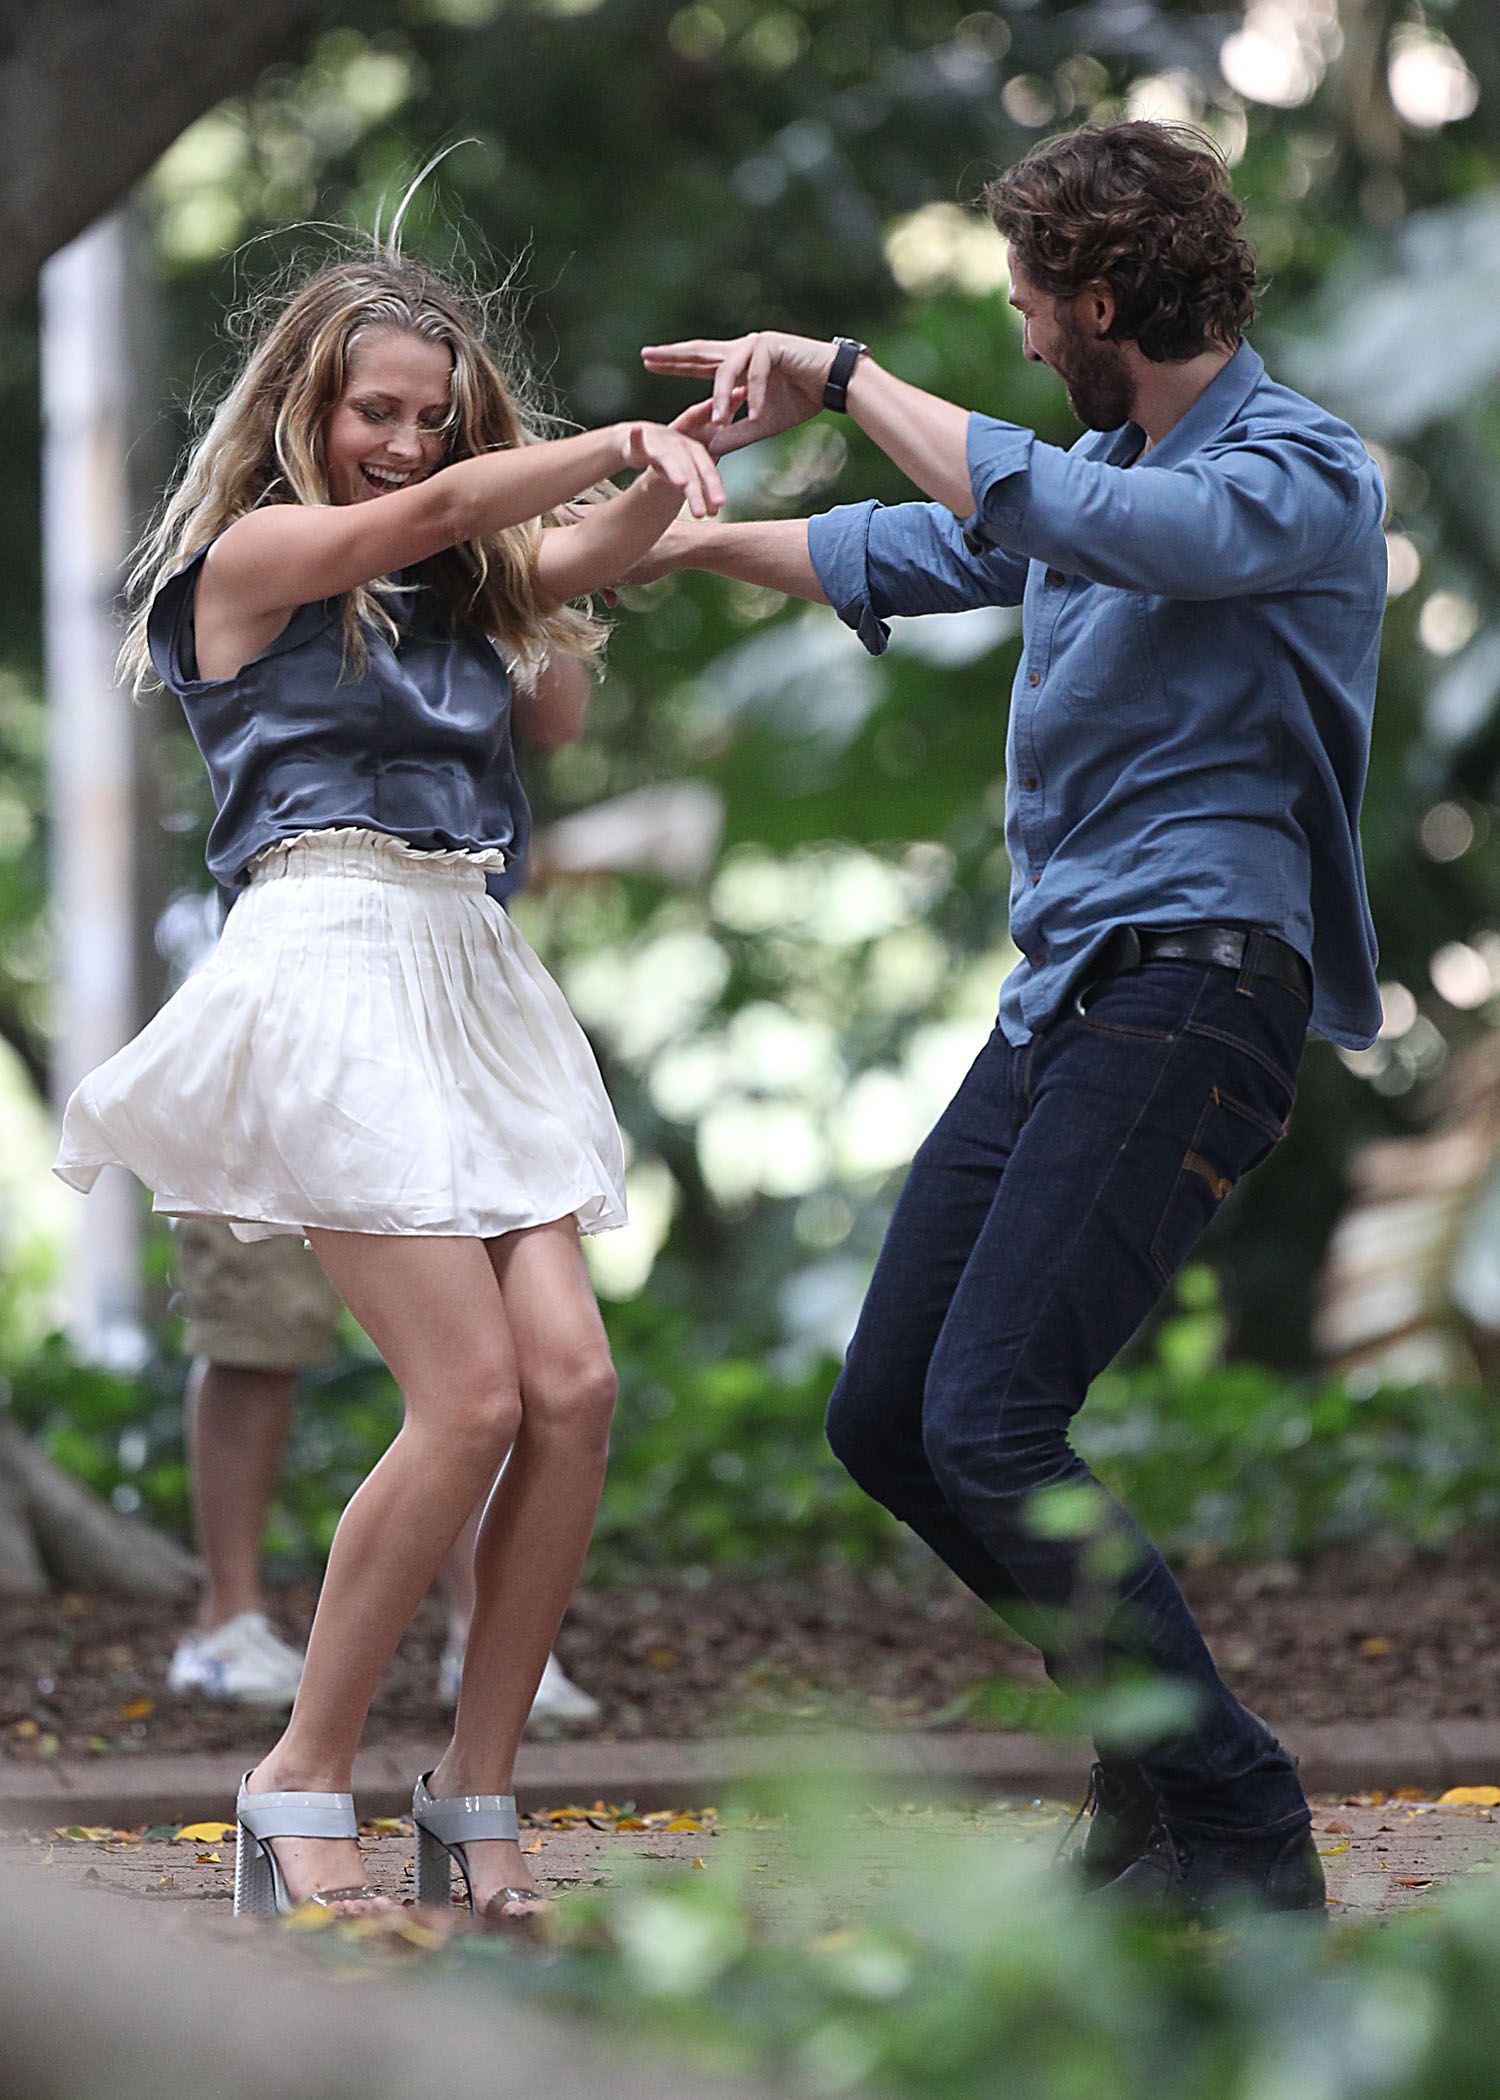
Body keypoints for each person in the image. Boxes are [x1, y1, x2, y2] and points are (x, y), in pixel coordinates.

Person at [636, 120, 1387, 1919]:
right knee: (890, 1414)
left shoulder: (1297, 473)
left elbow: (1085, 524)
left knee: (989, 1419)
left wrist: (842, 375)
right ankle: (1154, 1772)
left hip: (1200, 983)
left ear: (1103, 299)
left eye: (1034, 301)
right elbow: (926, 544)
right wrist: (682, 544)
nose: (1026, 332)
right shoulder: (1103, 462)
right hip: (1070, 995)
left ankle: (1239, 1819)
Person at [54, 240, 728, 1921]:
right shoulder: (255, 554)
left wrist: (694, 448)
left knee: (571, 1388)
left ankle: (474, 1788)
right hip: (327, 960)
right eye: (379, 410)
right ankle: (299, 1773)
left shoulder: (464, 585)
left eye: (433, 418)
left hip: (469, 966)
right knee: (470, 1400)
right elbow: (442, 515)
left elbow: (587, 554)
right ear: (308, 408)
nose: (408, 443)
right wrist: (603, 443)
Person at [166, 650, 601, 1729]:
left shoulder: (484, 572)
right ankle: (231, 1626)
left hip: (461, 982)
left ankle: (478, 1640)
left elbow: (558, 714)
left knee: (509, 1379)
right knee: (262, 1329)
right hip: (305, 976)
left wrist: (537, 574)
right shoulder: (288, 567)